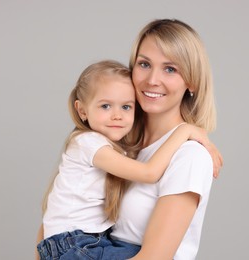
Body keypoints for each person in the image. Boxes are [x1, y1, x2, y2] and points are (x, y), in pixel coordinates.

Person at [36, 60, 218, 260]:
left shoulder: (182, 155)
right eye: (105, 106)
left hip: (80, 242)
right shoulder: (89, 144)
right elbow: (149, 173)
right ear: (82, 111)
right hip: (75, 243)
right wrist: (185, 130)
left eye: (126, 107)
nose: (117, 116)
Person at [103, 18, 221, 260]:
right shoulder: (116, 143)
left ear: (192, 81)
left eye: (170, 69)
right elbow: (58, 219)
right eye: (144, 64)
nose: (152, 80)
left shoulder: (190, 156)